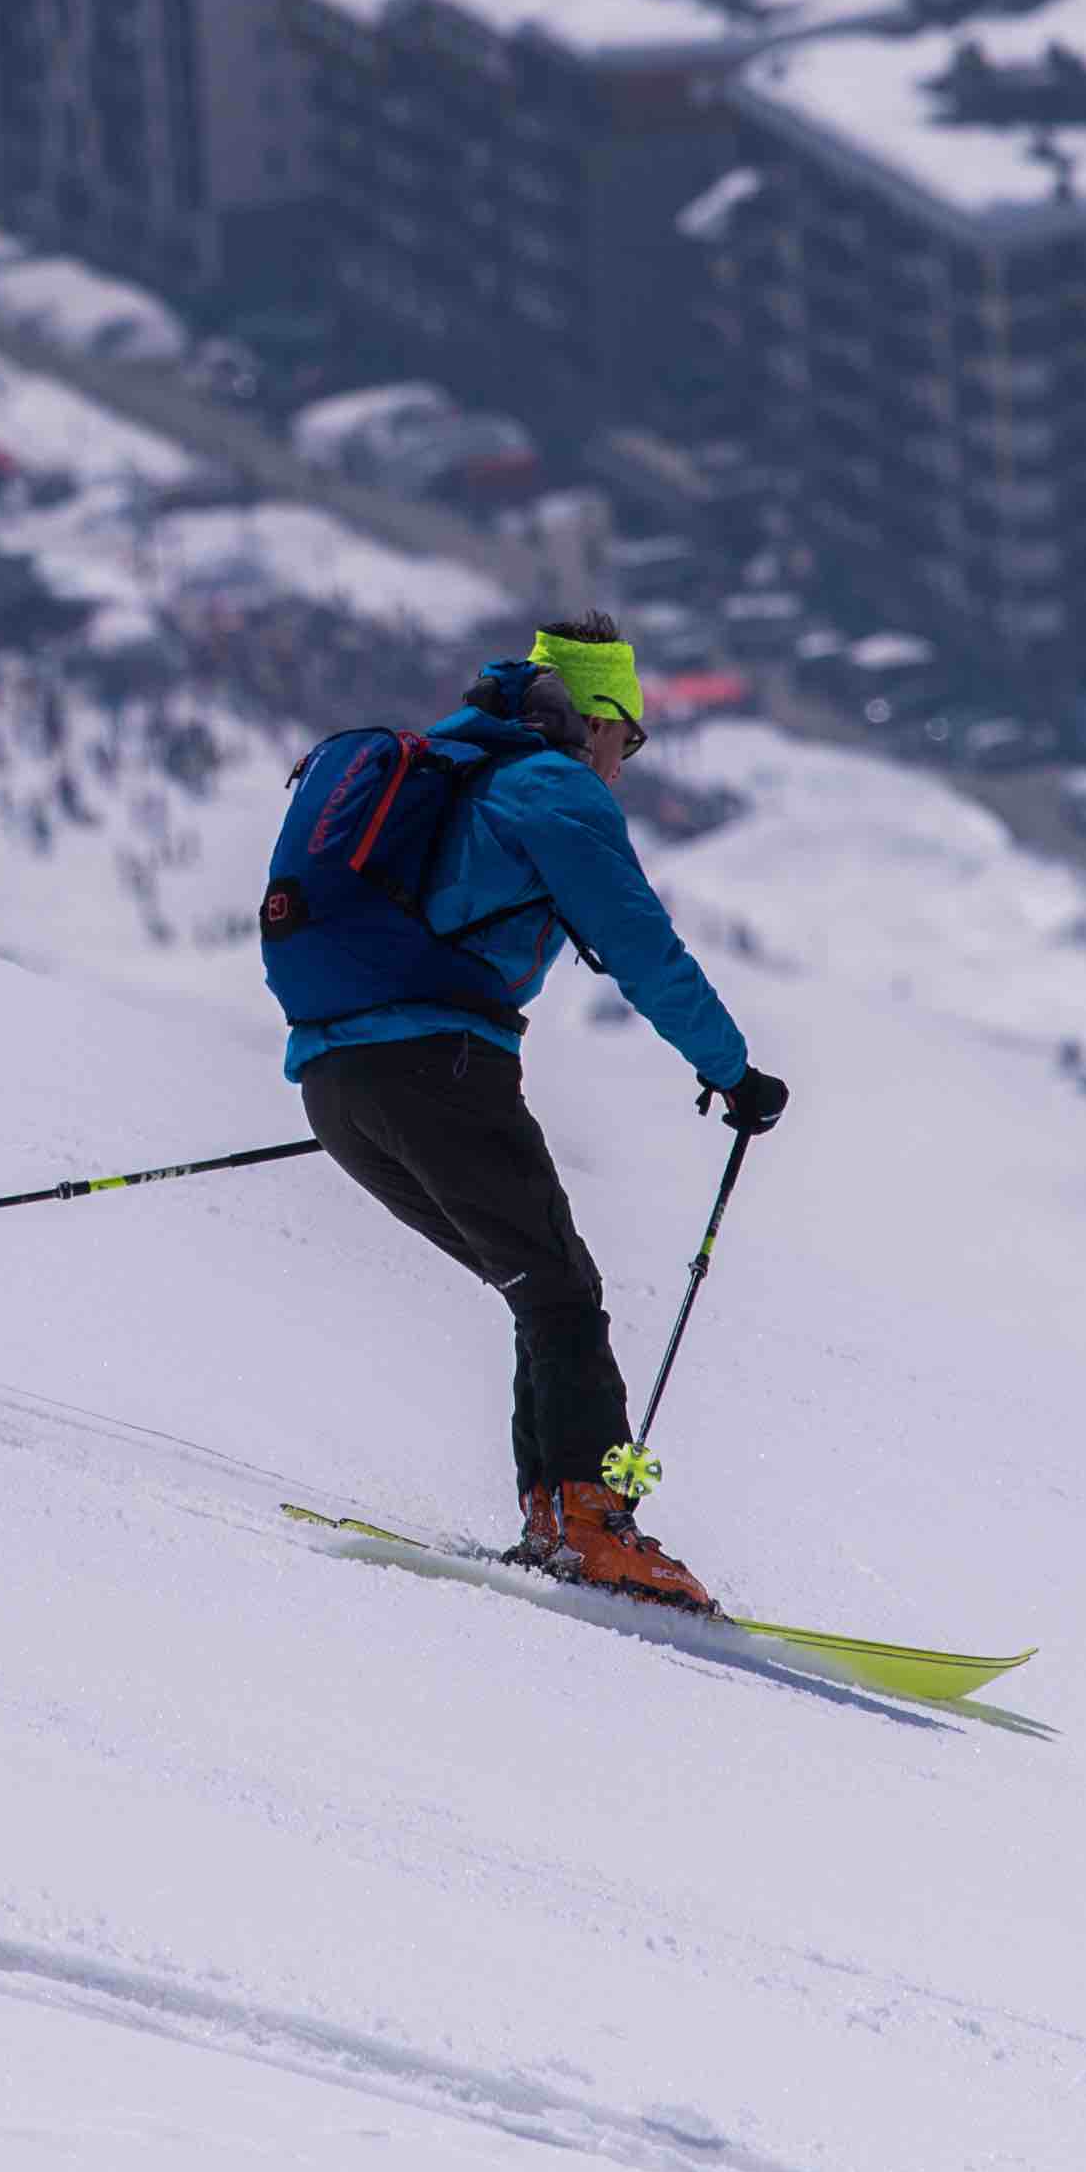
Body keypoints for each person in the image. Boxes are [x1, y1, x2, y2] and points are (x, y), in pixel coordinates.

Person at [286, 619, 784, 1607]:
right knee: (559, 1293)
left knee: (540, 1287)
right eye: (629, 738)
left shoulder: (455, 767)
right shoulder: (549, 786)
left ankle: (560, 1518)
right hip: (435, 1068)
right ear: (596, 720)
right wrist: (733, 1072)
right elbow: (640, 944)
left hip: (338, 1082)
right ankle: (591, 1529)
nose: (625, 760)